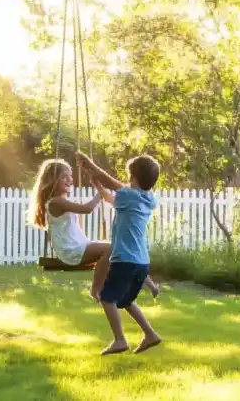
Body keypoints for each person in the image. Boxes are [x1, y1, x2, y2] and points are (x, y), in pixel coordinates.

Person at [27, 158, 158, 301]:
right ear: (52, 179)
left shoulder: (60, 200)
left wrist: (99, 189)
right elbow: (87, 209)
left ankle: (148, 283)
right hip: (70, 250)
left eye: (70, 176)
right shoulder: (56, 202)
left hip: (78, 245)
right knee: (111, 249)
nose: (69, 179)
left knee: (119, 249)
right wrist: (99, 195)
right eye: (64, 177)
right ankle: (96, 289)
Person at [75, 150, 162, 355]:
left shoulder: (127, 195)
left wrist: (89, 164)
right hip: (141, 262)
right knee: (126, 301)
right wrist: (99, 186)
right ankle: (150, 334)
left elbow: (112, 183)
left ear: (133, 177)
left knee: (106, 297)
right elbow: (113, 197)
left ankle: (120, 340)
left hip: (124, 259)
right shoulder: (147, 199)